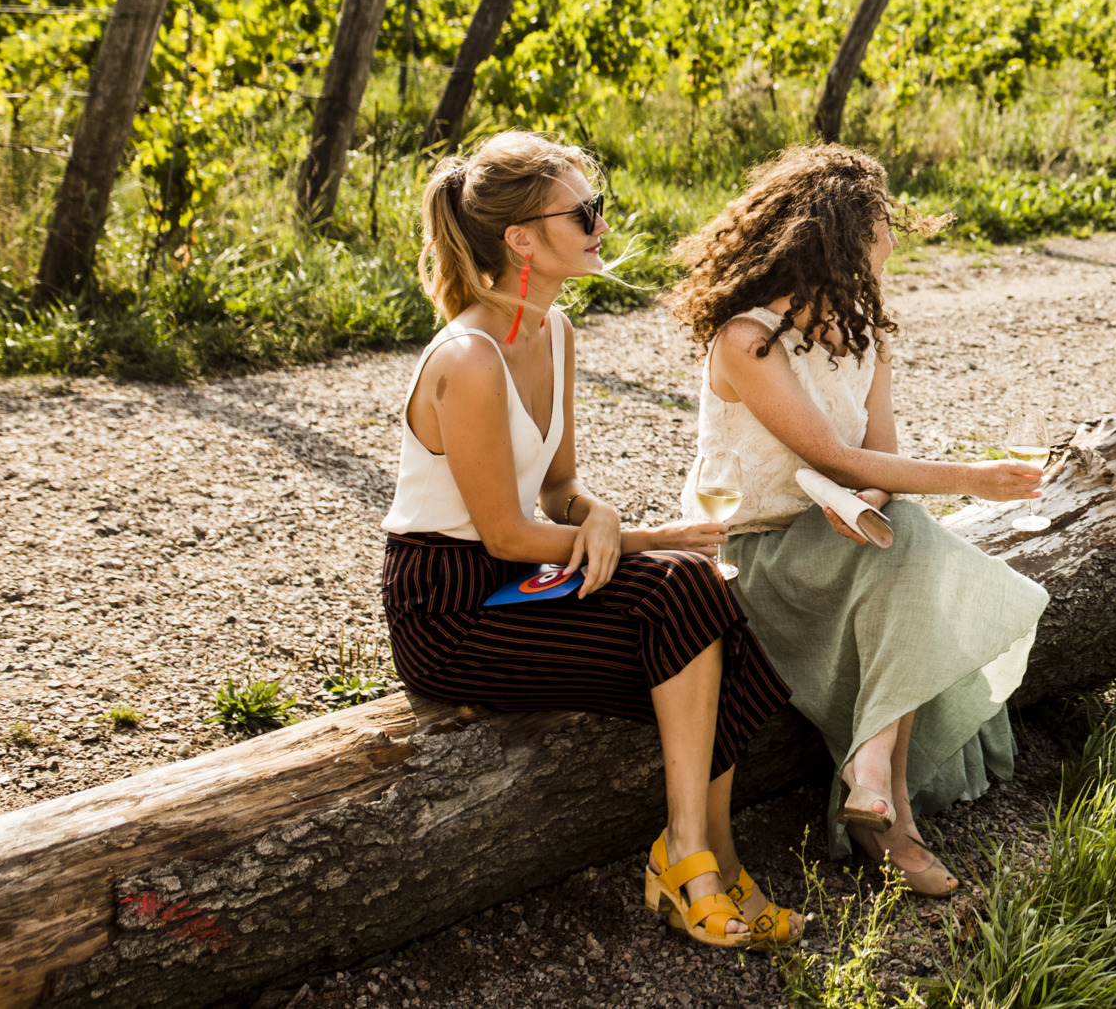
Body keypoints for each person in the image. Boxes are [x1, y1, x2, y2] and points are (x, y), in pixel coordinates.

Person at [383, 131, 797, 950]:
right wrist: (642, 535)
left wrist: (601, 513)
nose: (600, 223)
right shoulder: (468, 357)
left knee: (702, 592)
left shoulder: (555, 329)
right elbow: (503, 532)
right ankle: (692, 861)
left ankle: (707, 854)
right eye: (584, 212)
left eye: (596, 206)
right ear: (521, 238)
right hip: (448, 608)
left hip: (515, 572)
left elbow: (559, 491)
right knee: (680, 583)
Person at [667, 144, 1048, 895]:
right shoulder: (747, 338)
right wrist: (974, 479)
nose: (891, 247)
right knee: (911, 540)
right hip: (753, 553)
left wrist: (864, 508)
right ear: (830, 241)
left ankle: (877, 787)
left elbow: (878, 464)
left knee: (897, 530)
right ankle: (885, 800)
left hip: (837, 538)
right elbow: (837, 457)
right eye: (879, 231)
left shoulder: (867, 337)